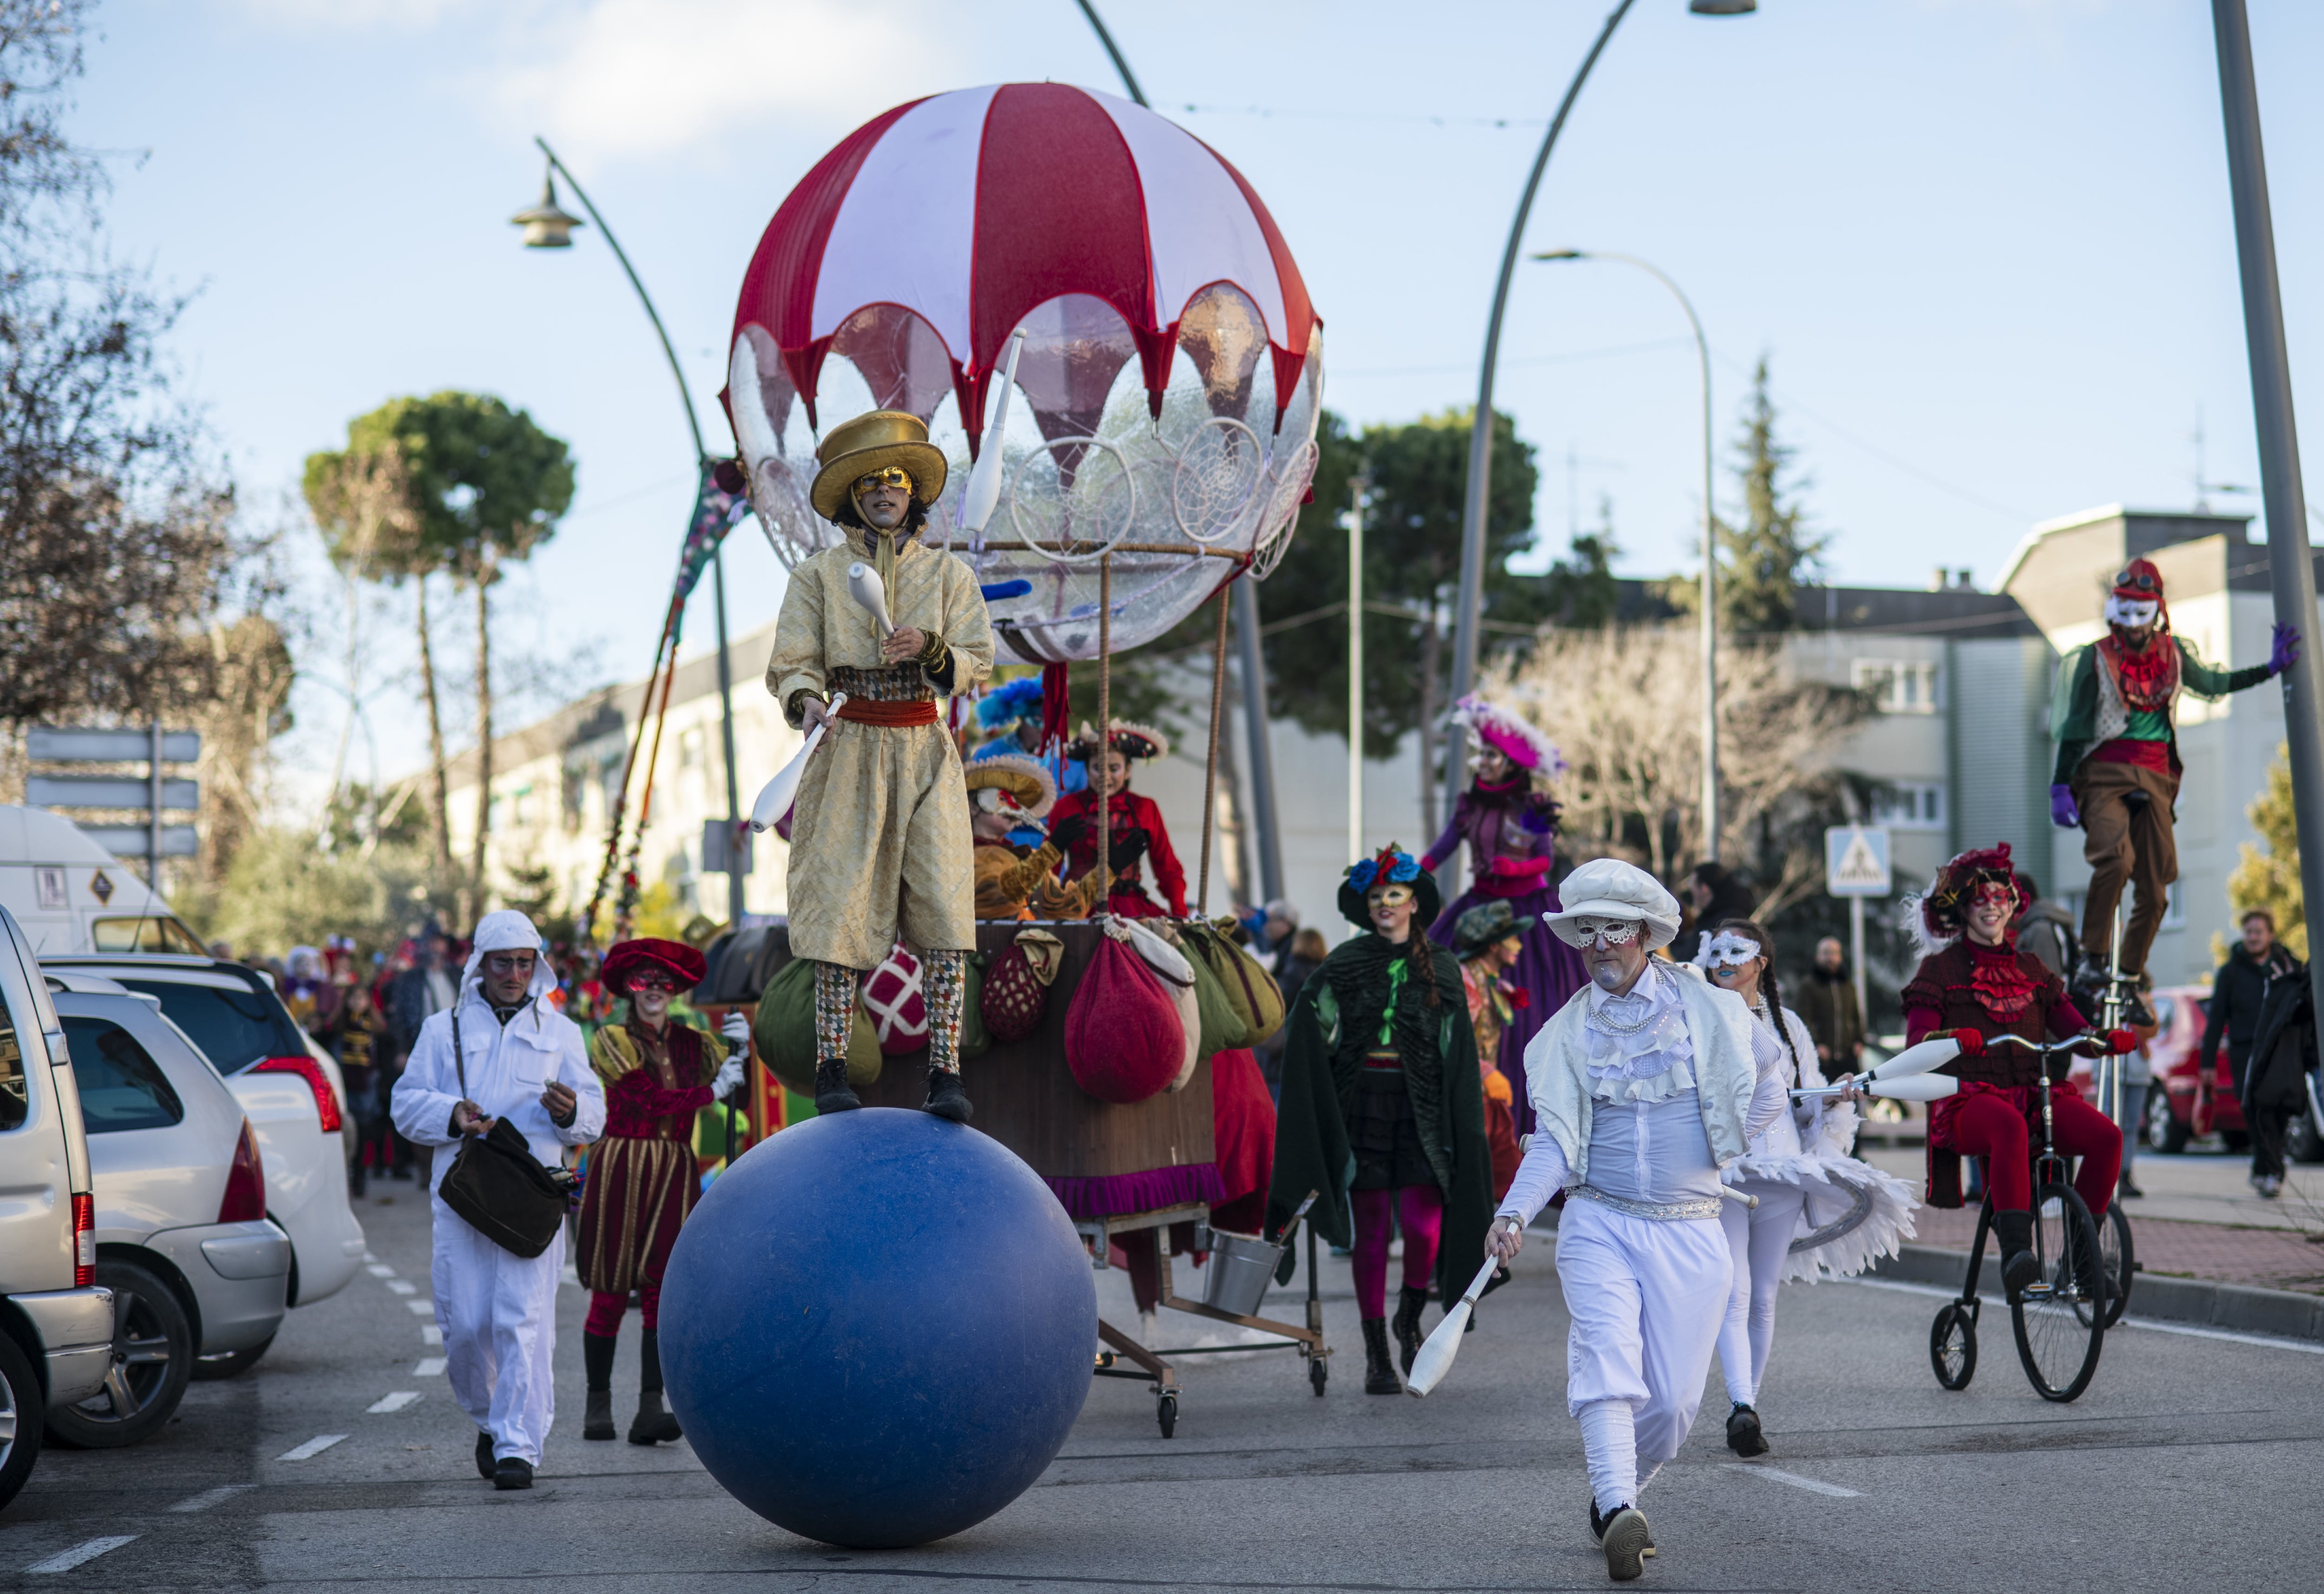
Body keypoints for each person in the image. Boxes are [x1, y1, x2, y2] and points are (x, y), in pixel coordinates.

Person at [1486, 858, 1789, 1581]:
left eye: (1612, 931)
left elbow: (1771, 1086)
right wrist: (1515, 1210)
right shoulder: (1564, 1036)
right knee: (1607, 1360)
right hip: (1599, 1222)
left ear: (1647, 935)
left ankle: (1618, 1497)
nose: (1598, 946)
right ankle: (1620, 1502)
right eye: (1586, 933)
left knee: (1677, 1403)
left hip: (1692, 1228)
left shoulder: (1713, 1011)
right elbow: (1554, 1139)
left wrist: (1723, 1143)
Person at [765, 409, 995, 1123]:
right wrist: (804, 700)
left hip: (926, 751)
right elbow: (792, 663)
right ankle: (833, 1069)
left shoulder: (951, 576)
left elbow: (977, 660)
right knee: (837, 912)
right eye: (869, 482)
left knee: (945, 909)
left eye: (894, 479)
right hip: (849, 746)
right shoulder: (817, 577)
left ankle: (946, 1075)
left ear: (912, 493)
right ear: (853, 497)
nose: (884, 491)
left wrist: (931, 649)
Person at [390, 910, 605, 1491]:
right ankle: (489, 1420)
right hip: (463, 1196)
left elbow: (593, 1114)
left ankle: (517, 1444)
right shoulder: (443, 1030)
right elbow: (406, 1103)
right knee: (466, 1324)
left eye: (523, 961)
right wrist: (451, 1114)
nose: (513, 972)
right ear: (481, 964)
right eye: (503, 961)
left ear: (537, 965)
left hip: (533, 1194)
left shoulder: (562, 1032)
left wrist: (570, 1114)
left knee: (522, 1321)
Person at [1270, 844, 1494, 1397]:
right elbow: (1312, 1026)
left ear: (1414, 902)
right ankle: (1375, 1353)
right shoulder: (1342, 965)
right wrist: (1315, 1028)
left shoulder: (1442, 967)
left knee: (1422, 1227)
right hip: (1363, 1104)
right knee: (1371, 1233)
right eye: (1376, 897)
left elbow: (1455, 1050)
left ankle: (1408, 1316)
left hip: (1423, 1113)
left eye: (1394, 895)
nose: (1385, 905)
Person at [1694, 919, 1917, 1461]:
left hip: (1783, 1174)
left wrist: (1834, 1099)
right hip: (1725, 1174)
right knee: (1736, 1286)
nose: (1723, 960)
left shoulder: (1787, 1025)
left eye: (1736, 951)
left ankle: (1743, 1408)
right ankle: (1741, 1402)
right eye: (1715, 950)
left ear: (1759, 963)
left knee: (1763, 1294)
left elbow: (1802, 1101)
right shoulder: (1692, 1020)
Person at [2049, 559, 2298, 1023]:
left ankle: (2128, 974)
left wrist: (2268, 669)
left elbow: (2213, 683)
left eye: (2140, 611)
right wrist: (2060, 784)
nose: (2131, 624)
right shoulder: (2094, 657)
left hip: (2156, 776)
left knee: (2157, 888)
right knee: (2114, 859)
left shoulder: (2173, 655)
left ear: (2157, 610)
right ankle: (2091, 957)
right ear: (2112, 610)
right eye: (2123, 610)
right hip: (2103, 771)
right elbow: (2075, 726)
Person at [1898, 845, 2132, 1297]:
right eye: (1979, 899)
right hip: (1967, 1100)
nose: (1990, 906)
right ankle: (2016, 1256)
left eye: (1998, 897)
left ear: (2012, 904)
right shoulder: (1939, 969)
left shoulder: (2031, 968)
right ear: (1962, 909)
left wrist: (2104, 1039)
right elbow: (1914, 1043)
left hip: (2031, 1096)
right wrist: (1947, 1040)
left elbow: (2074, 1029)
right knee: (2005, 1125)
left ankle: (2081, 1262)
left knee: (2107, 1137)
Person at [576, 937, 747, 1445]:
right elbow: (645, 1099)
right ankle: (597, 1405)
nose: (653, 990)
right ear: (628, 989)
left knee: (659, 1290)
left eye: (664, 982)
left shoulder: (696, 1044)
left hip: (673, 1168)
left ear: (675, 990)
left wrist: (741, 1046)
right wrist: (711, 1091)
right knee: (609, 1290)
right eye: (642, 981)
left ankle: (650, 1408)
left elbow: (741, 1087)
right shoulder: (610, 1038)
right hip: (621, 1165)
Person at [1420, 694, 1588, 1133]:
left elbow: (1544, 860)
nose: (1482, 762)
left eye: (1491, 755)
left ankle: (1527, 1129)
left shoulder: (1532, 806)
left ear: (1511, 764)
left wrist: (1513, 867)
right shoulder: (1468, 806)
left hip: (1526, 920)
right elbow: (1442, 850)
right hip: (1476, 912)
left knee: (1532, 1013)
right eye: (1481, 754)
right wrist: (1409, 876)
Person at [2200, 909, 2303, 1198]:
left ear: (2270, 934)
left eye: (2259, 931)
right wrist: (2207, 1063)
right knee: (2255, 1108)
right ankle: (2270, 1170)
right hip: (2245, 1049)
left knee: (2279, 1108)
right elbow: (2217, 1017)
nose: (2254, 937)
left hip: (2280, 1049)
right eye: (2249, 932)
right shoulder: (2231, 971)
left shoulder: (2287, 965)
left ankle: (2267, 1168)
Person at [1047, 720, 1186, 918]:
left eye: (1114, 768)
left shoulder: (1145, 808)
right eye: (1097, 768)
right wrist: (1042, 910)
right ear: (1087, 770)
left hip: (1131, 909)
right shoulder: (1066, 807)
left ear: (1128, 770)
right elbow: (1049, 866)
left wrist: (1180, 913)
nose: (1105, 776)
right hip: (1077, 906)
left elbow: (1167, 866)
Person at [964, 755, 1109, 921]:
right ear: (973, 807)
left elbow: (1065, 908)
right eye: (1003, 799)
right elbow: (1000, 896)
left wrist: (1108, 870)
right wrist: (1051, 850)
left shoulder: (1025, 856)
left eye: (1018, 802)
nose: (1014, 808)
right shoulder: (963, 858)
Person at [1452, 901, 1526, 1202]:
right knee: (1469, 1176)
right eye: (1512, 939)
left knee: (1502, 1173)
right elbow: (1455, 1040)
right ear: (1494, 946)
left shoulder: (1495, 982)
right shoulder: (1466, 979)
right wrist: (1485, 1071)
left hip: (1486, 1099)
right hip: (1465, 1097)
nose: (1519, 946)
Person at [318, 978, 385, 1197]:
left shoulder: (372, 1028)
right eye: (354, 998)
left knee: (364, 1133)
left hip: (366, 1088)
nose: (358, 1003)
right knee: (346, 1134)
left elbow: (379, 1058)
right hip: (344, 1085)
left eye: (362, 999)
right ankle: (344, 1178)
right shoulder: (339, 1027)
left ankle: (360, 1177)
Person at [1793, 937, 1864, 1075]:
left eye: (1834, 953)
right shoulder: (1809, 986)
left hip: (1848, 1057)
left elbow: (1856, 1016)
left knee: (1853, 1094)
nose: (1830, 958)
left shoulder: (1848, 985)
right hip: (1821, 1059)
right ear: (1817, 956)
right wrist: (1816, 1044)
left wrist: (1859, 1040)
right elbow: (1804, 1018)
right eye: (1826, 953)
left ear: (1840, 957)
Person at [1670, 861, 1756, 964]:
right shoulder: (1712, 918)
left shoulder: (1729, 922)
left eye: (1692, 886)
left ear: (1704, 888)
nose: (1691, 891)